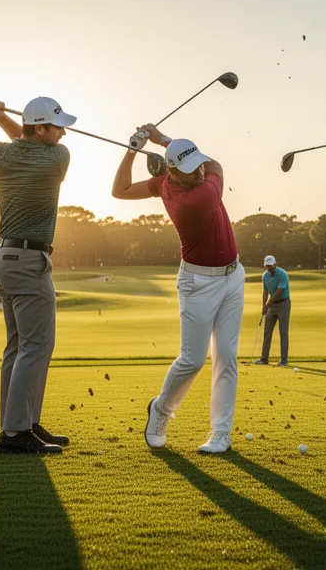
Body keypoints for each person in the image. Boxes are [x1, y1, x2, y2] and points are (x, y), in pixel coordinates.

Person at [0, 96, 74, 454]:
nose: (64, 132)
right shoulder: (57, 159)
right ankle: (15, 433)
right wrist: (0, 115)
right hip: (29, 259)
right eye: (58, 125)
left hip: (3, 256)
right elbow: (25, 137)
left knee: (19, 346)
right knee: (36, 346)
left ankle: (23, 423)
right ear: (41, 128)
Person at [112, 124, 244, 454]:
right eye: (189, 169)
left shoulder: (165, 183)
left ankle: (221, 433)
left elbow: (122, 188)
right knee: (193, 360)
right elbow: (217, 166)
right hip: (198, 283)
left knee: (226, 357)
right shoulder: (200, 196)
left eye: (197, 163)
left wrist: (134, 148)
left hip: (232, 276)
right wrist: (161, 140)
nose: (199, 171)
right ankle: (160, 410)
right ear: (172, 172)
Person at [255, 255, 291, 366]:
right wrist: (263, 306)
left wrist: (268, 304)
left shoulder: (282, 274)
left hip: (283, 303)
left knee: (283, 332)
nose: (269, 268)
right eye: (267, 266)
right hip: (271, 306)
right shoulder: (265, 275)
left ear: (275, 264)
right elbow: (265, 291)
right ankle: (264, 359)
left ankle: (283, 360)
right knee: (267, 333)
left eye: (270, 266)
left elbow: (280, 291)